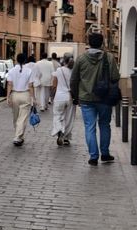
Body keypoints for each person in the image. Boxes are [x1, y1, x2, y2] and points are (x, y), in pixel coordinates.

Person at [70, 33, 120, 166]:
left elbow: (74, 79)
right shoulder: (109, 57)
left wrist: (75, 96)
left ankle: (93, 156)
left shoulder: (81, 59)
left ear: (89, 43)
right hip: (105, 98)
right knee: (104, 125)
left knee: (89, 127)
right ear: (102, 43)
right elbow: (115, 77)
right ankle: (105, 153)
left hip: (86, 99)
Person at [6, 53, 35, 147]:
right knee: (22, 118)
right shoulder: (29, 71)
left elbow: (9, 84)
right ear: (25, 60)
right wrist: (33, 97)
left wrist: (7, 97)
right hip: (25, 95)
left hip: (15, 95)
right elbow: (31, 86)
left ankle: (18, 136)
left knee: (16, 118)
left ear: (16, 60)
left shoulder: (11, 71)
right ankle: (18, 136)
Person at [50, 54, 75, 147]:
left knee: (57, 115)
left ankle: (59, 130)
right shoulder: (73, 71)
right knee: (69, 118)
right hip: (70, 97)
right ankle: (66, 137)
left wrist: (51, 96)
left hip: (59, 96)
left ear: (64, 60)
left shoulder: (59, 70)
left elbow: (54, 85)